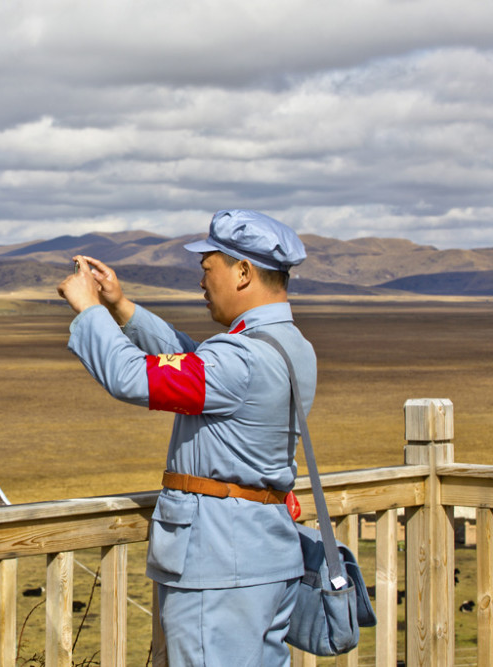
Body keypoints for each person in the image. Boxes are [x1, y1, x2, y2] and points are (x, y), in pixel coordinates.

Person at [57, 209, 315, 666]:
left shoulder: (241, 358)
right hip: (262, 556)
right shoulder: (287, 343)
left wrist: (90, 309)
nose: (201, 282)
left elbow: (132, 376)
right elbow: (194, 364)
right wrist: (122, 307)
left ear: (242, 272)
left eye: (207, 267)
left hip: (219, 563)